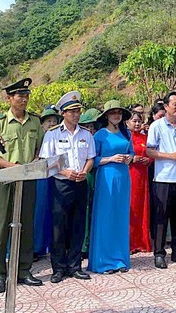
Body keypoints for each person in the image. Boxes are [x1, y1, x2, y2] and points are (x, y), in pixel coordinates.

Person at [0, 78, 44, 293]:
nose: (24, 99)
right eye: (20, 95)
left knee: (26, 224)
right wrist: (12, 167)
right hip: (4, 180)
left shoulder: (35, 122)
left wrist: (31, 165)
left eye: (26, 95)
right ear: (9, 98)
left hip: (27, 180)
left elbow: (39, 149)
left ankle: (24, 270)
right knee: (1, 227)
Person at [39, 91, 95, 283]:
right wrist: (66, 172)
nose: (76, 115)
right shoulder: (53, 134)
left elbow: (90, 158)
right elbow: (47, 160)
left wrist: (85, 171)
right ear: (63, 113)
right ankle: (59, 268)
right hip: (61, 184)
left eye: (78, 111)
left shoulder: (86, 134)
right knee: (59, 227)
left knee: (78, 224)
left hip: (80, 183)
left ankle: (75, 265)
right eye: (71, 111)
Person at [145, 91, 176, 269]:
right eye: (174, 104)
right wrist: (170, 156)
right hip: (163, 177)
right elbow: (149, 151)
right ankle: (159, 253)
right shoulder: (157, 126)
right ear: (165, 107)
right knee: (161, 218)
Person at [89, 100, 134, 274]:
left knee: (120, 216)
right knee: (105, 216)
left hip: (123, 177)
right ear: (106, 115)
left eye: (119, 113)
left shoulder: (126, 133)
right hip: (106, 177)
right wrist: (111, 158)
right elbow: (93, 160)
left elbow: (132, 153)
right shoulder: (100, 135)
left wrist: (129, 158)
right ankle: (103, 261)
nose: (116, 115)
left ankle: (120, 259)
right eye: (113, 112)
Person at [34, 106, 61, 261]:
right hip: (40, 177)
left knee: (52, 212)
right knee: (39, 211)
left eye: (54, 121)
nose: (51, 123)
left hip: (56, 176)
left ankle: (49, 245)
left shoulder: (58, 136)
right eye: (48, 121)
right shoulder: (39, 136)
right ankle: (37, 247)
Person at [128, 109, 153, 253]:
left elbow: (151, 153)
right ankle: (130, 243)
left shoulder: (145, 138)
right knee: (131, 209)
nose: (137, 124)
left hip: (143, 176)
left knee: (143, 208)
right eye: (134, 121)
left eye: (139, 121)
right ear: (127, 122)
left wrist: (148, 160)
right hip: (130, 175)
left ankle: (142, 242)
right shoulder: (125, 138)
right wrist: (132, 159)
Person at [78, 107, 100, 258]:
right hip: (85, 175)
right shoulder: (81, 137)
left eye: (93, 126)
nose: (91, 129)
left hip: (99, 176)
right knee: (84, 210)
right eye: (88, 126)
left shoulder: (99, 137)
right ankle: (83, 245)